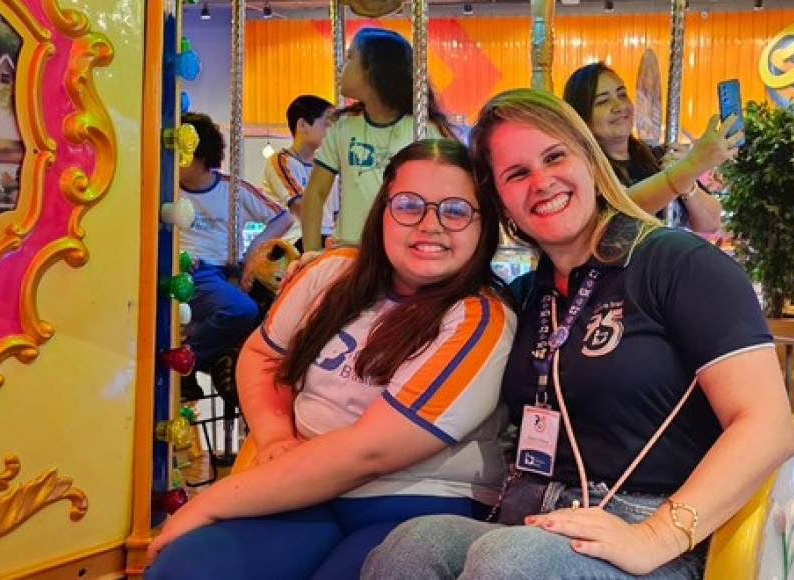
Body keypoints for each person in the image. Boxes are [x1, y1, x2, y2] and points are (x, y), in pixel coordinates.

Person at [362, 89, 794, 580]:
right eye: (517, 174)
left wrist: (656, 536)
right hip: (530, 517)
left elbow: (768, 425)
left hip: (649, 531)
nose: (542, 182)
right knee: (413, 545)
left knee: (511, 561)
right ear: (501, 202)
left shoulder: (679, 264)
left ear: (590, 160)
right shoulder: (526, 295)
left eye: (554, 157)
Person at [146, 139, 517, 580]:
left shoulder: (478, 319)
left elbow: (369, 452)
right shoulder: (333, 272)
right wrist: (274, 436)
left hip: (414, 499)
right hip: (300, 486)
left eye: (455, 211)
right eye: (408, 205)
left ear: (483, 225)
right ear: (382, 211)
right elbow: (264, 355)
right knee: (188, 568)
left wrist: (210, 502)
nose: (429, 225)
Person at [300, 27, 458, 252]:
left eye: (350, 58)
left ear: (373, 71)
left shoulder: (424, 130)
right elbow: (315, 193)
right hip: (351, 248)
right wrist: (311, 252)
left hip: (403, 251)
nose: (341, 67)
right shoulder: (343, 128)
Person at [179, 112, 293, 380]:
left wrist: (254, 250)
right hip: (195, 270)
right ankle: (187, 359)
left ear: (200, 155)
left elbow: (283, 217)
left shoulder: (232, 189)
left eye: (182, 155)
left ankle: (227, 362)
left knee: (275, 310)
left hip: (229, 268)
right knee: (241, 309)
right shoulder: (168, 190)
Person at [562, 62, 736, 234]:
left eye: (622, 95)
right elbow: (624, 213)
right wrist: (691, 167)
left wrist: (688, 184)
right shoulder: (586, 171)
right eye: (603, 101)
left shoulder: (658, 155)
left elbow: (710, 223)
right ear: (581, 117)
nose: (619, 106)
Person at [262, 94, 342, 252]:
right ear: (302, 125)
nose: (332, 133)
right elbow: (300, 207)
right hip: (295, 238)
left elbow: (337, 212)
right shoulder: (281, 161)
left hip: (328, 236)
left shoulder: (328, 164)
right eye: (327, 125)